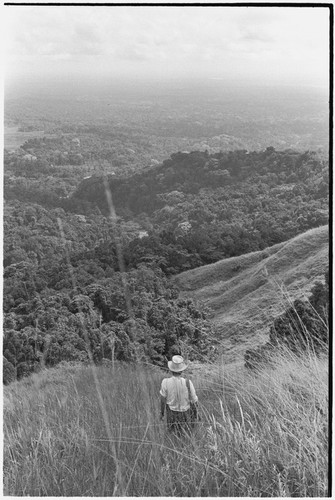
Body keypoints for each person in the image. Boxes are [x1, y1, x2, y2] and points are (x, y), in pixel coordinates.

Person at [160, 355, 198, 435]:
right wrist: (196, 414)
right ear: (181, 371)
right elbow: (194, 400)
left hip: (171, 414)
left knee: (172, 435)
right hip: (185, 414)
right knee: (185, 435)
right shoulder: (188, 382)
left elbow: (163, 400)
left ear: (171, 370)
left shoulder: (165, 382)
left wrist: (162, 414)